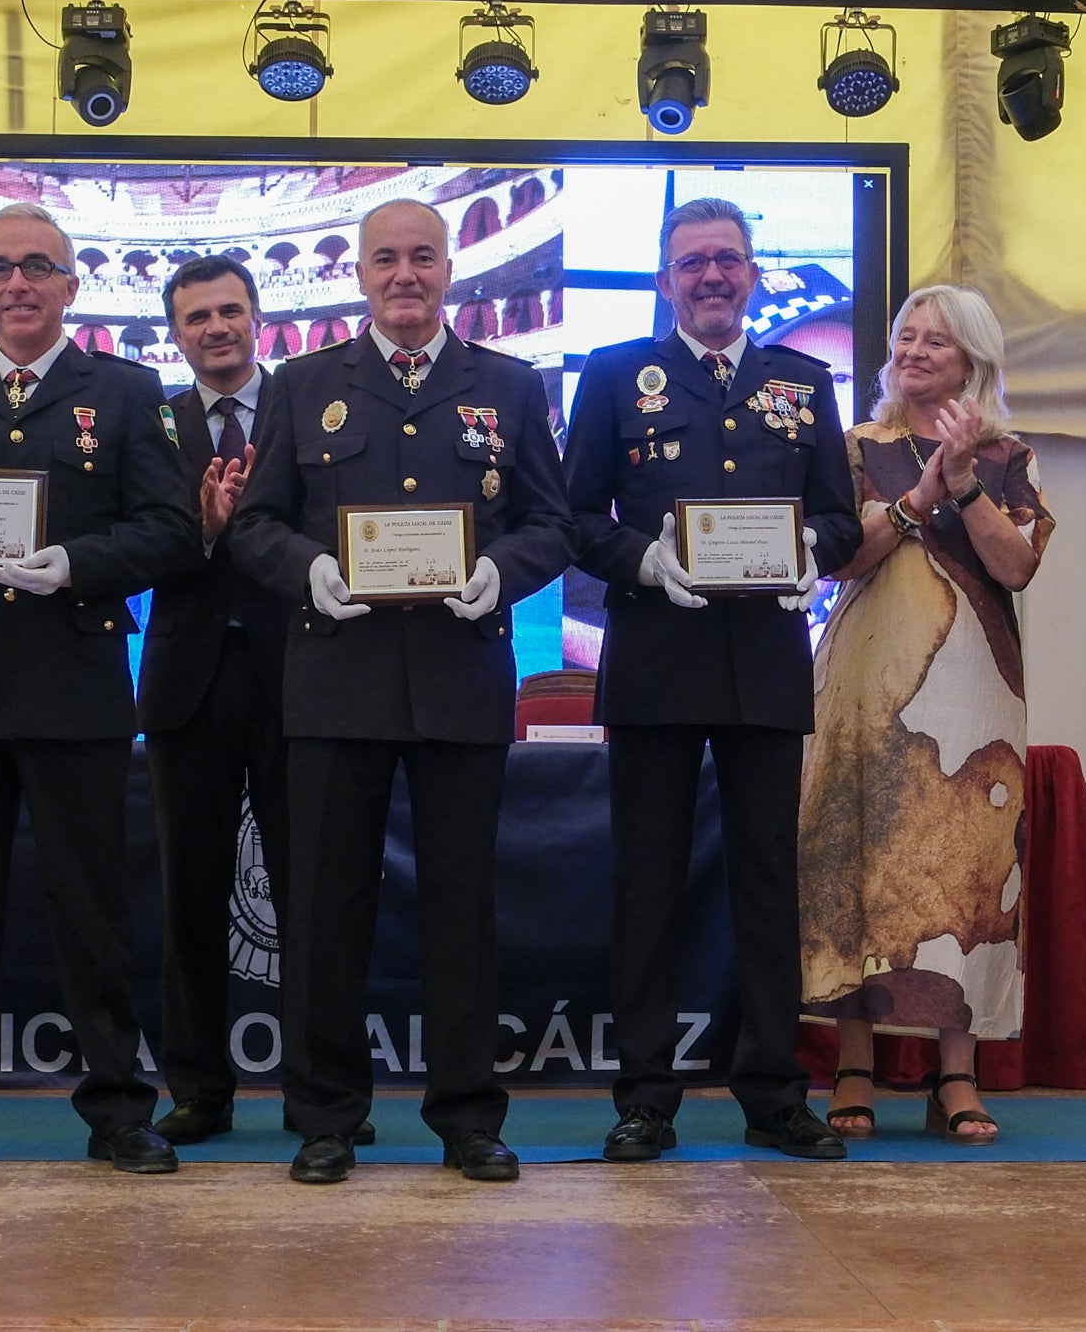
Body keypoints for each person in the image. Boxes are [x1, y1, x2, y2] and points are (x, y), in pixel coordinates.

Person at [230, 196, 573, 1186]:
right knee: (327, 905)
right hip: (336, 682)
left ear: (451, 266)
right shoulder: (302, 385)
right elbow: (255, 526)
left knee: (462, 908)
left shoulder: (507, 385)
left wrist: (499, 573)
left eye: (422, 257)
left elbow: (550, 521)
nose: (405, 275)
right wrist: (311, 572)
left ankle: (468, 1117)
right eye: (386, 259)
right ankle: (328, 1118)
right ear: (361, 273)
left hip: (460, 683)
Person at [0, 202, 201, 1178]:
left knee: (91, 910)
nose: (16, 283)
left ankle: (116, 1111)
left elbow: (174, 533)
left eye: (36, 267)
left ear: (70, 285)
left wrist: (78, 563)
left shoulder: (130, 394)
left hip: (74, 679)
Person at [562, 198, 858, 1163]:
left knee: (768, 883)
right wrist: (647, 562)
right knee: (645, 884)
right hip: (654, 660)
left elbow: (841, 519)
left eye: (728, 260)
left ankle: (772, 1091)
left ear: (754, 273)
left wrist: (811, 543)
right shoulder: (613, 379)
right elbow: (574, 517)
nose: (712, 277)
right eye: (692, 263)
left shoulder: (802, 382)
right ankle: (645, 1095)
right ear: (664, 279)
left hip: (765, 667)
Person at [798, 285, 1050, 1145]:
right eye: (905, 337)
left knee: (966, 868)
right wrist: (913, 501)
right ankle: (855, 1065)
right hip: (868, 679)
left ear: (972, 359)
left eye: (935, 342)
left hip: (976, 685)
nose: (912, 352)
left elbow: (1015, 567)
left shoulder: (1009, 455)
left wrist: (965, 482)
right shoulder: (854, 447)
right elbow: (841, 561)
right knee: (857, 857)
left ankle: (956, 1072)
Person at [137, 255, 292, 1147]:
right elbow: (133, 542)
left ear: (257, 316)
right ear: (176, 331)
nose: (215, 328)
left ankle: (316, 1090)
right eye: (196, 317)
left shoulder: (302, 404)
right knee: (187, 892)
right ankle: (197, 1089)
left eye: (229, 311)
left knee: (308, 888)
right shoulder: (150, 421)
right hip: (185, 679)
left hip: (294, 676)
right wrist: (198, 529)